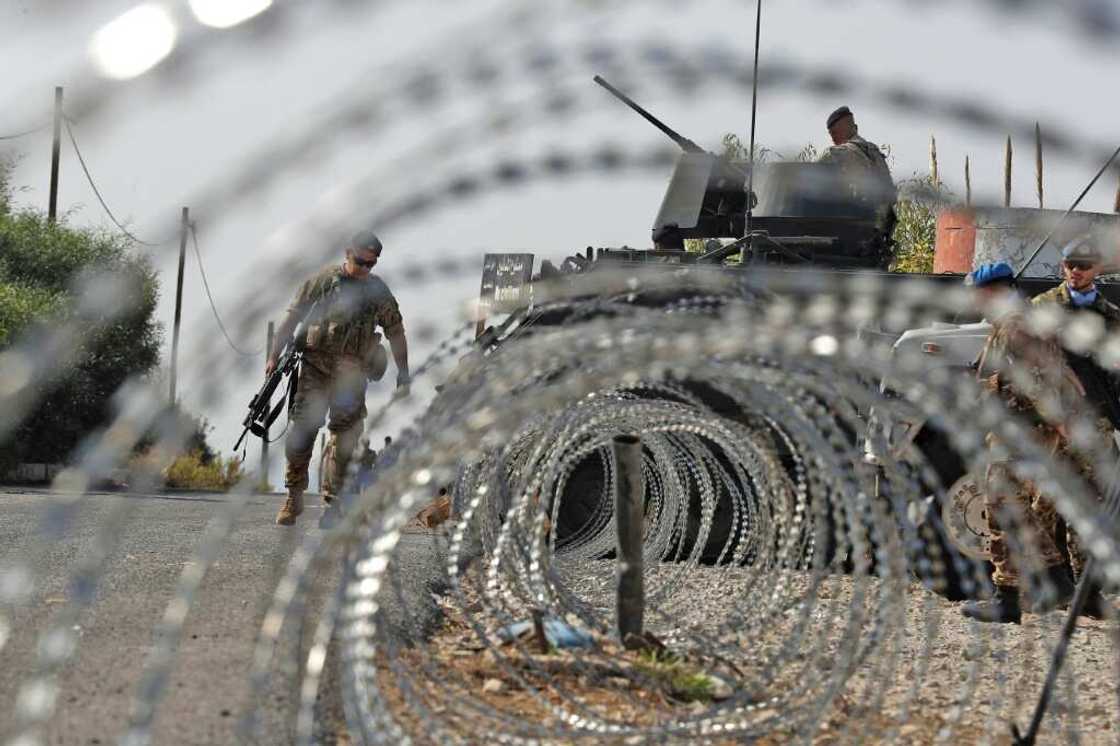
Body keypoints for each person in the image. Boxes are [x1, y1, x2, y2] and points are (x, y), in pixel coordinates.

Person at [962, 263, 1102, 622]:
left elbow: (1036, 381)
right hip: (1027, 428)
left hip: (1024, 428)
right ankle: (1024, 590)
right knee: (1011, 507)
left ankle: (1034, 588)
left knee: (1005, 502)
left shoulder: (1016, 326)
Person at [269, 230, 410, 526]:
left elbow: (395, 331)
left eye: (371, 265)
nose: (365, 270)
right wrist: (273, 356)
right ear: (348, 253)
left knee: (345, 440)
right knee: (302, 433)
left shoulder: (377, 292)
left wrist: (403, 371)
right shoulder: (321, 282)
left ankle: (332, 505)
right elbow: (292, 319)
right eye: (360, 262)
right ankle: (293, 496)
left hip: (352, 376)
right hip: (315, 369)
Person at [818, 106, 896, 207]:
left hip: (853, 215)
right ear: (856, 128)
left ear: (841, 130)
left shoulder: (834, 152)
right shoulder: (875, 151)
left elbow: (812, 181)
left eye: (834, 133)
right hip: (881, 218)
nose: (833, 140)